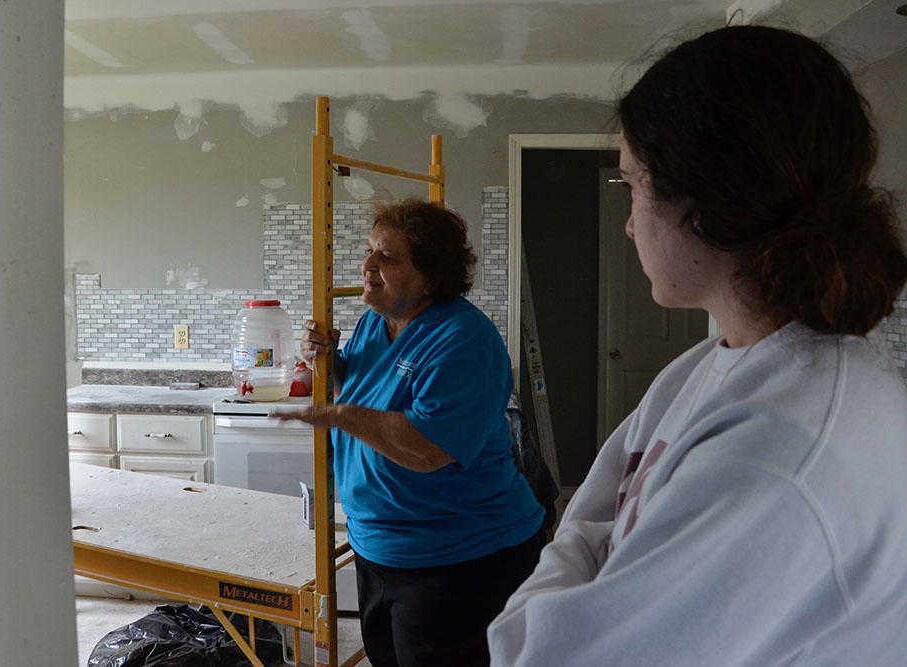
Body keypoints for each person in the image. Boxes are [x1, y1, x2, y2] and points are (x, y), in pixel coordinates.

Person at [488, 25, 907, 666]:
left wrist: (572, 572)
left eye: (632, 185)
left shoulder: (779, 457)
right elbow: (595, 521)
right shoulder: (705, 369)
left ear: (705, 202)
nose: (627, 224)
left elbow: (537, 653)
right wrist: (586, 558)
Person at [277, 199, 547, 667]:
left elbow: (428, 448)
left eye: (388, 257)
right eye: (369, 251)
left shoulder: (464, 338)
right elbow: (369, 390)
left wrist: (339, 415)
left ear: (431, 276)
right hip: (379, 549)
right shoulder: (373, 323)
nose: (367, 266)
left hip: (459, 560)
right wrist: (330, 361)